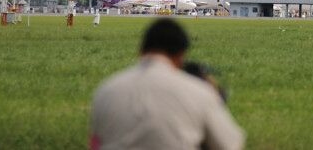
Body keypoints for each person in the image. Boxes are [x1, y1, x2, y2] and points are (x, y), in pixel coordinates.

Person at [89, 18, 245, 150]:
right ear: (181, 54)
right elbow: (231, 144)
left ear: (141, 50)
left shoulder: (105, 91)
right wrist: (215, 98)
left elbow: (95, 143)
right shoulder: (199, 92)